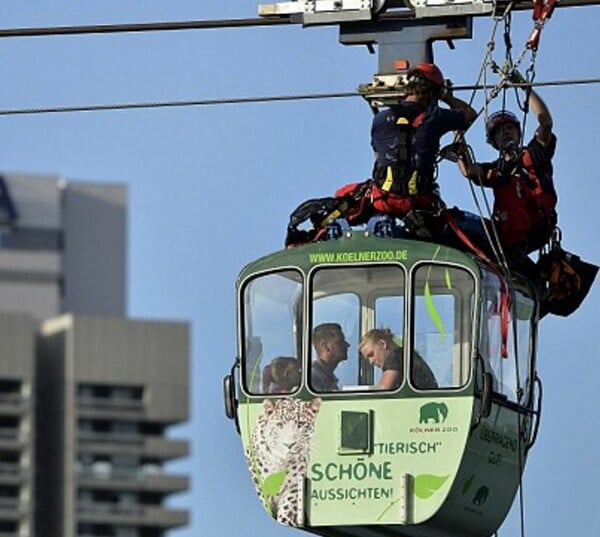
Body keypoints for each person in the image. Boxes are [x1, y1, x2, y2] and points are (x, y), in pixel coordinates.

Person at [457, 72, 558, 278]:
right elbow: (468, 170)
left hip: (536, 225)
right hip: (510, 233)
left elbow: (545, 123)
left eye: (510, 128)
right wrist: (458, 136)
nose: (506, 133)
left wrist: (522, 85)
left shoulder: (533, 155)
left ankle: (515, 257)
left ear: (519, 133)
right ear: (493, 142)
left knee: (508, 185)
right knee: (460, 220)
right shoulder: (497, 170)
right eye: (500, 131)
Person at [369, 62, 477, 237]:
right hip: (417, 201)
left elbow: (377, 158)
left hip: (383, 199)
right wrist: (447, 97)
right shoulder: (435, 116)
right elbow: (470, 113)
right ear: (434, 93)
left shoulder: (379, 119)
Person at [359, 328, 437, 390]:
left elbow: (383, 391)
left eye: (371, 355)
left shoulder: (395, 356)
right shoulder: (405, 355)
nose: (371, 361)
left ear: (382, 344)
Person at [311, 322, 349, 391]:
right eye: (340, 342)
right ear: (325, 346)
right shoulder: (313, 378)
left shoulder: (326, 377)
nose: (347, 345)